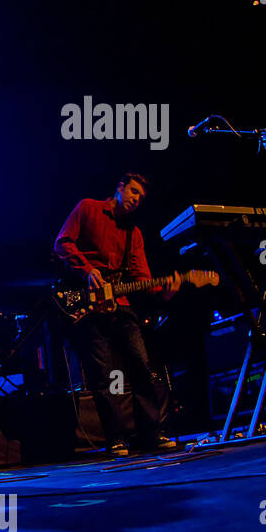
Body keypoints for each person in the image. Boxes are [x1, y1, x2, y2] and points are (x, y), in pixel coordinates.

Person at [54, 171, 179, 456]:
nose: (137, 200)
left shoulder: (134, 233)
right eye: (134, 192)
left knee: (142, 367)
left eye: (141, 198)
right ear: (120, 188)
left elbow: (142, 278)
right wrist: (87, 270)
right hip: (88, 305)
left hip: (120, 304)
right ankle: (116, 438)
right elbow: (62, 243)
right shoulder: (88, 207)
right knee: (103, 374)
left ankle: (151, 434)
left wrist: (164, 291)